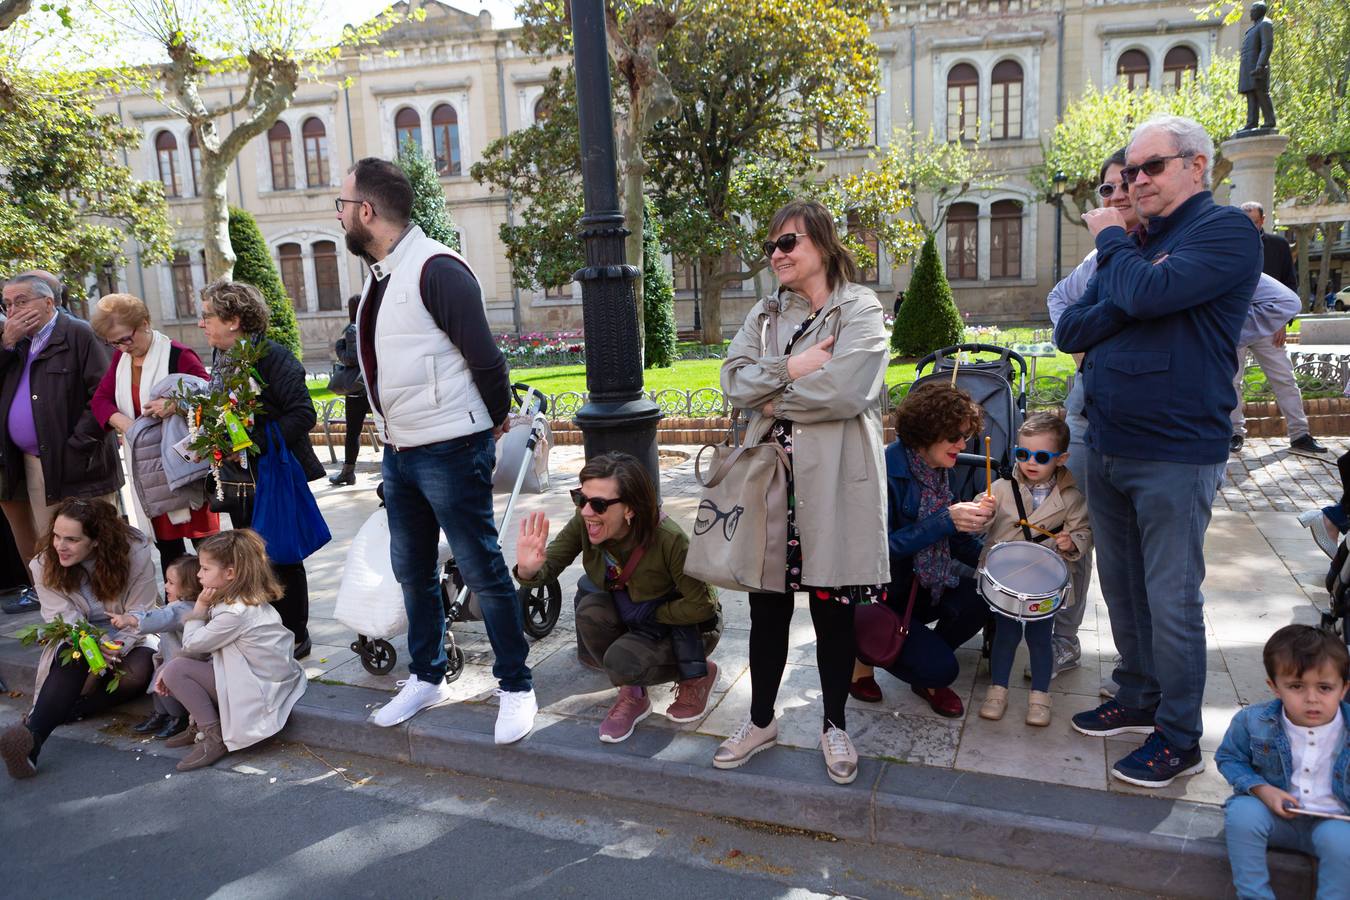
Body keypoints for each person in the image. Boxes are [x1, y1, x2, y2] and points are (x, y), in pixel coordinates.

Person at [1055, 115, 1263, 787]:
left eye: (1150, 168)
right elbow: (1071, 328)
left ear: (1196, 166)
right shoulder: (1145, 244)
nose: (1134, 181)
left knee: (1170, 597)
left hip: (1175, 451)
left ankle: (1178, 736)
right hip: (1109, 442)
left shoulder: (1224, 231)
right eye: (1130, 172)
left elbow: (1145, 294)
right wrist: (1137, 287)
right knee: (1122, 589)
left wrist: (1117, 247)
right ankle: (1137, 695)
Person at [336, 157, 535, 743]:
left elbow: (487, 360)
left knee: (481, 568)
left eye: (343, 205)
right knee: (412, 570)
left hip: (450, 448)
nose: (341, 215)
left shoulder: (436, 270)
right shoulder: (382, 274)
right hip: (401, 452)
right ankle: (427, 677)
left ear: (367, 212)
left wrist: (493, 422)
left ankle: (517, 685)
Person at [714, 198, 889, 785]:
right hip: (770, 481)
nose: (777, 254)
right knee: (766, 610)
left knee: (831, 611)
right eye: (772, 245)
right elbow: (731, 378)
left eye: (788, 242)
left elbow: (847, 391)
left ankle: (833, 725)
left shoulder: (859, 308)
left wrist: (768, 395)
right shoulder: (766, 314)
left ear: (822, 243)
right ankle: (760, 720)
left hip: (835, 482)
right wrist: (794, 368)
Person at [514, 452, 722, 743]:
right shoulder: (586, 523)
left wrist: (654, 613)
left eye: (598, 504)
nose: (586, 511)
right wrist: (527, 569)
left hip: (686, 627)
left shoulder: (669, 540)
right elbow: (548, 568)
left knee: (622, 660)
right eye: (580, 498)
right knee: (590, 612)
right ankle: (634, 694)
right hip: (634, 613)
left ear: (630, 509)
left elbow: (703, 605)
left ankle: (697, 675)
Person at [196, 280, 324, 659]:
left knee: (280, 553)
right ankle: (264, 630)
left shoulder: (273, 357)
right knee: (249, 556)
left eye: (208, 316)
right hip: (239, 478)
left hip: (271, 475)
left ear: (234, 319)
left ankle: (295, 634)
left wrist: (252, 444)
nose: (202, 324)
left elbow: (304, 414)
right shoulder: (224, 357)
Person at [853, 383, 996, 717]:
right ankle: (863, 655)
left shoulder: (936, 468)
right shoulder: (885, 469)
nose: (962, 446)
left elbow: (954, 540)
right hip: (882, 595)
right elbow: (875, 553)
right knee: (943, 671)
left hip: (922, 587)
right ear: (926, 432)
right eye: (954, 437)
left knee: (982, 596)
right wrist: (945, 521)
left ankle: (920, 658)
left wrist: (997, 561)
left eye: (965, 436)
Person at [0, 499, 158, 779]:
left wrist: (115, 645)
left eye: (72, 539)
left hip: (130, 633)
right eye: (57, 536)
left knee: (137, 672)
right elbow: (61, 619)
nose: (60, 545)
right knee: (72, 654)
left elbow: (140, 611)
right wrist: (92, 644)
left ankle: (66, 711)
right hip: (79, 634)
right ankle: (32, 739)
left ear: (97, 541)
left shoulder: (134, 552)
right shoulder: (44, 563)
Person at [0, 274, 122, 579]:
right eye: (7, 304)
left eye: (21, 301)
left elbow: (105, 394)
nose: (12, 311)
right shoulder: (15, 343)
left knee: (99, 547)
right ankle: (70, 622)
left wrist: (76, 446)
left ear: (49, 302)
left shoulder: (79, 334)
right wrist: (5, 344)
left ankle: (117, 616)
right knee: (57, 551)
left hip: (80, 463)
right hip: (34, 463)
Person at [89, 293, 221, 572]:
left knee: (207, 549)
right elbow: (100, 401)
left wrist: (175, 404)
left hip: (184, 465)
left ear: (145, 323)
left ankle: (216, 605)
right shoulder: (121, 360)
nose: (123, 347)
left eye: (126, 338)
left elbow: (212, 400)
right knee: (168, 549)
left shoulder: (179, 355)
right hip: (150, 471)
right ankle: (178, 605)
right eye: (113, 342)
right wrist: (127, 425)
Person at [1216, 625, 1349, 899]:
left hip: (1336, 823)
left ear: (1344, 688)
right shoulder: (1253, 721)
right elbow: (1229, 757)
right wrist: (1262, 790)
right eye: (1296, 686)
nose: (1311, 698)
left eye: (1325, 688)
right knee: (1242, 813)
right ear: (1275, 687)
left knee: (1342, 843)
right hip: (1277, 819)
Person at [157, 530, 308, 772]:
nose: (198, 574)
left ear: (230, 573)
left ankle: (214, 738)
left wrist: (199, 609)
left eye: (205, 569)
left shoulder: (233, 613)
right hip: (263, 678)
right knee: (174, 667)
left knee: (176, 670)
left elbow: (193, 644)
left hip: (259, 690)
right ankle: (201, 724)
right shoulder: (242, 599)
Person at [977, 413, 1091, 727]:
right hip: (1009, 581)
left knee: (1042, 640)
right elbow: (982, 519)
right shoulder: (1001, 487)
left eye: (1041, 456)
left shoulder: (1070, 497)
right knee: (1005, 636)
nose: (1030, 462)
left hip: (1043, 583)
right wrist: (982, 510)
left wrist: (1071, 542)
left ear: (1062, 458)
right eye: (1022, 454)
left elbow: (1083, 532)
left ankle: (1040, 696)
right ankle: (997, 690)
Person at [110, 554, 201, 740]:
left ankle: (177, 717)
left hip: (178, 664)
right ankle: (162, 715)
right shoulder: (179, 606)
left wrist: (131, 620)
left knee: (168, 691)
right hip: (168, 659)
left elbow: (161, 618)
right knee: (158, 690)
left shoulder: (184, 609)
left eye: (171, 582)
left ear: (189, 587)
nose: (165, 586)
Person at [328, 294, 369, 486]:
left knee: (353, 431)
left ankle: (348, 472)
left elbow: (352, 359)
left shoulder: (354, 328)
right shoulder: (373, 324)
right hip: (374, 385)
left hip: (357, 389)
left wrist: (339, 347)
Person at [1241, 201, 1298, 292]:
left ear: (1262, 220)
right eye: (1245, 222)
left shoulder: (1280, 245)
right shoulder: (1231, 246)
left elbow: (1290, 281)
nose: (1250, 227)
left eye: (1255, 222)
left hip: (1273, 301)